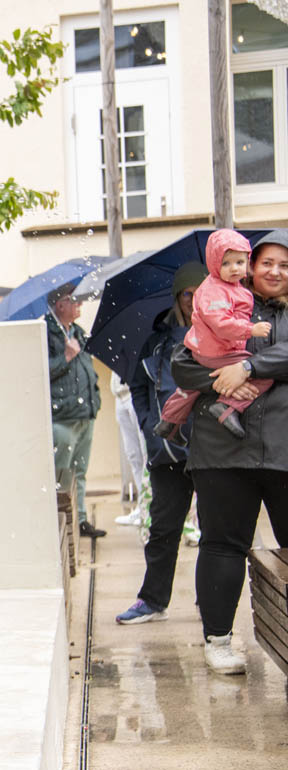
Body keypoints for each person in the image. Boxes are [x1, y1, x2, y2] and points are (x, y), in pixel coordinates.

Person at [171, 229, 288, 673]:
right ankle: (218, 640)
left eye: (285, 265)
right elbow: (183, 363)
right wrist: (223, 378)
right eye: (266, 262)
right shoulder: (221, 302)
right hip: (223, 449)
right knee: (222, 545)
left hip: (283, 449)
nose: (274, 271)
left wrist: (249, 367)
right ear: (249, 265)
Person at [116, 260, 207, 624]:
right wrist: (147, 424)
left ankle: (212, 602)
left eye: (202, 293)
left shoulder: (221, 338)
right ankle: (153, 600)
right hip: (167, 452)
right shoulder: (155, 343)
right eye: (188, 294)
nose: (194, 301)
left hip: (211, 451)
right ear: (177, 297)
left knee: (215, 533)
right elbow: (138, 387)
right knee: (163, 529)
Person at [158, 230, 272, 441]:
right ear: (214, 264)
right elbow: (221, 324)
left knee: (192, 386)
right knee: (262, 371)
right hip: (219, 351)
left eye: (239, 262)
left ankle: (169, 421)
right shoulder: (216, 290)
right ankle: (228, 407)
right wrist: (250, 329)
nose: (234, 268)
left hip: (207, 349)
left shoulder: (231, 287)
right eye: (226, 263)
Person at [47, 284, 105, 538]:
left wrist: (95, 400)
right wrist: (66, 358)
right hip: (63, 418)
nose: (80, 304)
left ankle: (80, 520)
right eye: (74, 300)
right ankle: (61, 524)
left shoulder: (77, 333)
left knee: (80, 471)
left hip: (84, 415)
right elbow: (40, 372)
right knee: (62, 474)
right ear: (60, 304)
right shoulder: (46, 333)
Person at [111, 372, 147, 526]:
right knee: (132, 455)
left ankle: (148, 508)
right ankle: (141, 506)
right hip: (119, 394)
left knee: (146, 455)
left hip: (136, 392)